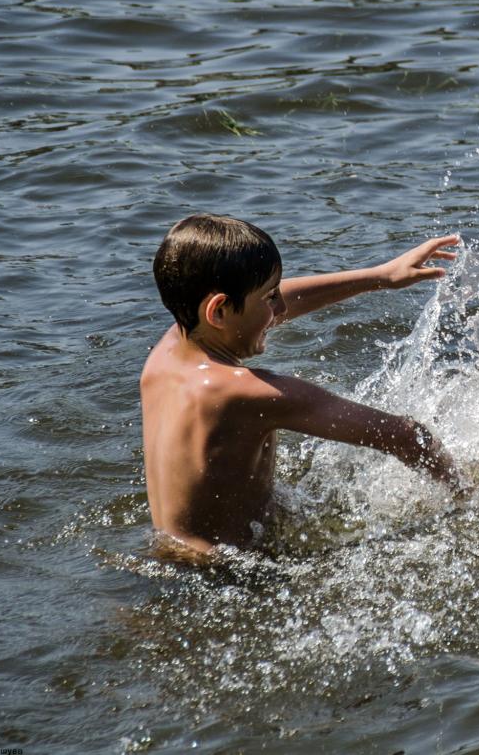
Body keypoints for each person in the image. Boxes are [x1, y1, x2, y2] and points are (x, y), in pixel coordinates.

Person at [141, 214, 462, 555]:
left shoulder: (166, 354)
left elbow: (276, 300)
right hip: (229, 577)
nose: (280, 309)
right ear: (218, 312)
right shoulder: (247, 393)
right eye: (269, 298)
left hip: (167, 555)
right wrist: (466, 495)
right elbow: (405, 435)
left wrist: (380, 276)